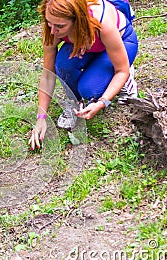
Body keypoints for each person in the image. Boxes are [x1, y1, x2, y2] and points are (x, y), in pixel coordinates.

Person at [29, 0, 139, 150]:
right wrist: (41, 118)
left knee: (89, 90)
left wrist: (102, 102)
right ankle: (75, 102)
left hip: (121, 41)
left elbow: (122, 71)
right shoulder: (54, 27)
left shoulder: (103, 24)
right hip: (84, 43)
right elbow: (48, 75)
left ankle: (124, 79)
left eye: (60, 26)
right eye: (49, 23)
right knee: (62, 64)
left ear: (78, 20)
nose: (53, 31)